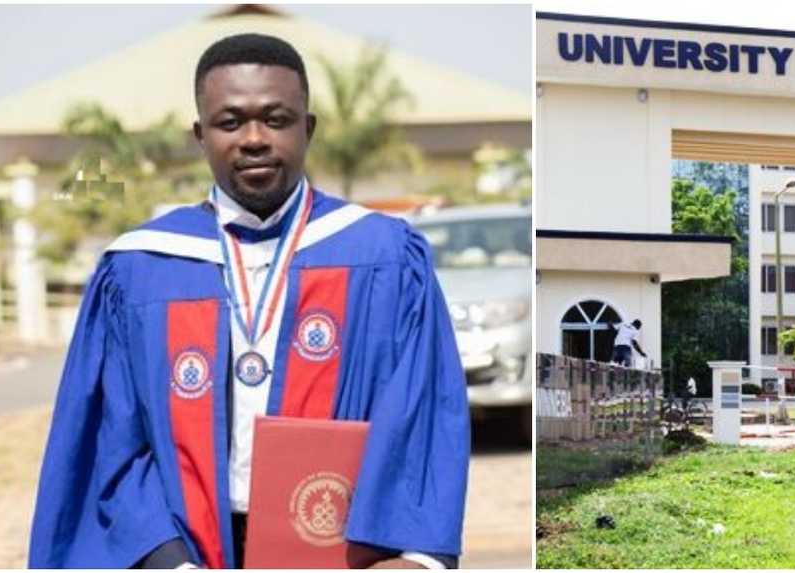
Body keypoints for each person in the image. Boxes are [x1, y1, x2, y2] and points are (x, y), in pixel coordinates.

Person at [28, 34, 469, 569]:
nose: (254, 139)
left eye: (276, 119)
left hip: (345, 547)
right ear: (201, 135)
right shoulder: (142, 268)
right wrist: (167, 561)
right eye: (230, 122)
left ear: (307, 128)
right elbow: (110, 440)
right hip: (184, 551)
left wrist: (417, 557)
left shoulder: (385, 255)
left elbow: (423, 411)